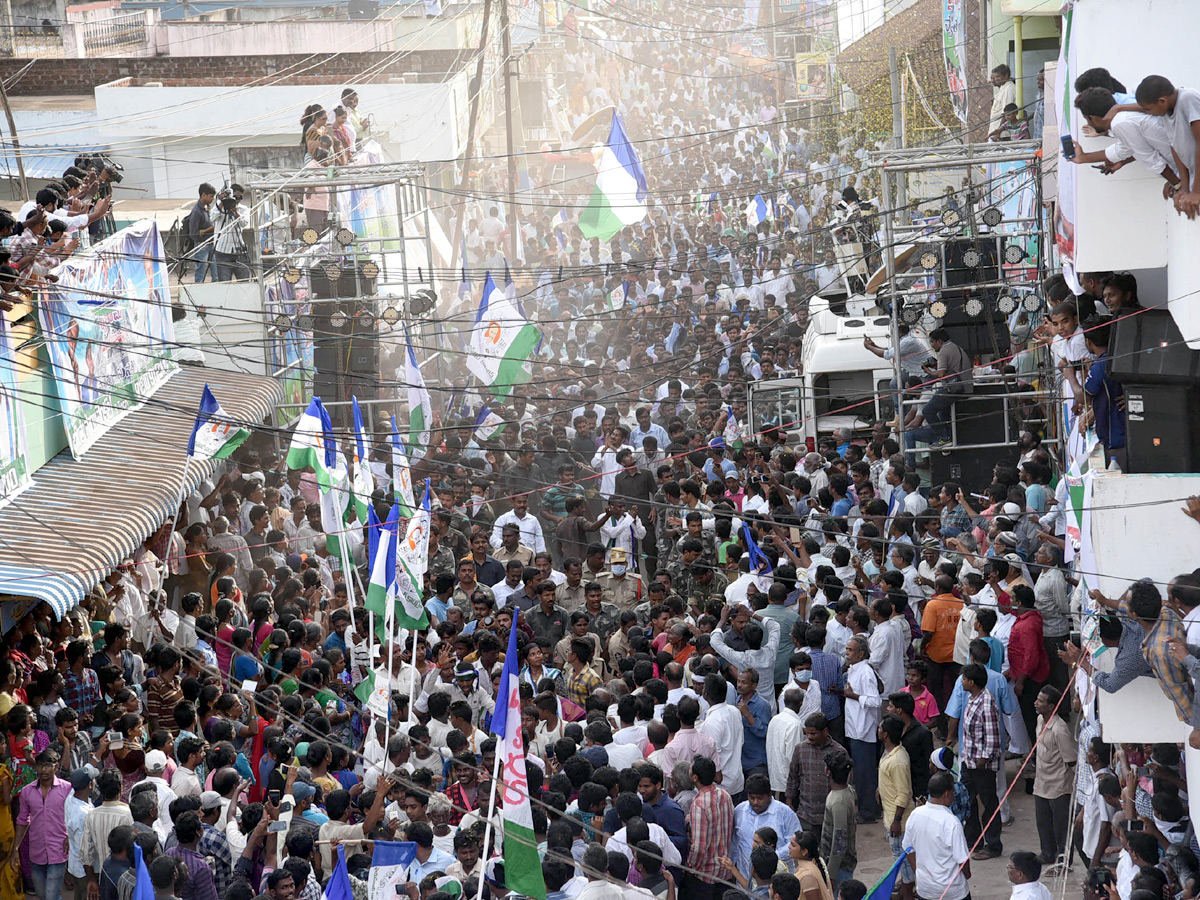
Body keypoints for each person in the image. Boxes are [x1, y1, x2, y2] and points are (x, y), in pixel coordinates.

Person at [10, 749, 71, 900]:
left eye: (48, 765)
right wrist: (16, 847)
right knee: (42, 894)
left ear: (56, 767)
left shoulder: (67, 789)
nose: (44, 770)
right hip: (36, 850)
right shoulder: (26, 792)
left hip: (58, 850)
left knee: (52, 895)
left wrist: (70, 836)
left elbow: (74, 816)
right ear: (35, 767)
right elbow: (23, 820)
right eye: (40, 766)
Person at [958, 663, 1003, 860]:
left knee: (988, 803)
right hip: (968, 760)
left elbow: (993, 736)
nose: (962, 681)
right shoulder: (972, 698)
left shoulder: (986, 702)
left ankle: (993, 844)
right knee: (968, 802)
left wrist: (983, 759)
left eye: (965, 679)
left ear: (972, 682)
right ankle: (973, 841)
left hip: (981, 764)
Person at [903, 772, 970, 900]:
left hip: (925, 889)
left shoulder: (915, 814)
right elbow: (962, 860)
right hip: (952, 892)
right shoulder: (952, 822)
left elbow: (908, 848)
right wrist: (967, 874)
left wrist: (918, 871)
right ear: (947, 794)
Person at [818, 750, 857, 895]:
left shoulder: (838, 803)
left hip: (840, 867)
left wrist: (831, 875)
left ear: (828, 771)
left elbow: (839, 843)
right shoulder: (847, 791)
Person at [183, 184, 216, 283]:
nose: (212, 199)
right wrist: (209, 229)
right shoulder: (197, 211)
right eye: (211, 196)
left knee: (216, 272)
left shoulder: (207, 208)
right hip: (201, 246)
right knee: (200, 273)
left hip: (211, 244)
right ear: (204, 195)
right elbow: (193, 233)